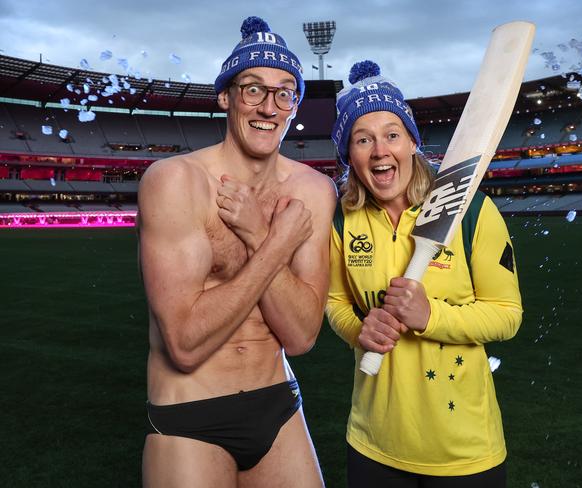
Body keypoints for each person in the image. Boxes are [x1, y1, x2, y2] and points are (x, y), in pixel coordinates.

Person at [138, 16, 335, 488]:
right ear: (225, 96)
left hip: (278, 403)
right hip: (190, 413)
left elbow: (302, 336)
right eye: (252, 89)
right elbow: (185, 343)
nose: (269, 106)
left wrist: (257, 234)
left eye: (285, 92)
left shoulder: (313, 190)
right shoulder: (174, 181)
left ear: (294, 107)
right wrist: (270, 241)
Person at [326, 60, 523, 487]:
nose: (380, 151)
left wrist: (431, 317)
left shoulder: (472, 213)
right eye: (363, 139)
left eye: (392, 135)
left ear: (412, 142)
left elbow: (507, 314)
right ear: (350, 155)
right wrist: (359, 329)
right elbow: (336, 303)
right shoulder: (343, 221)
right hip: (372, 443)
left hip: (464, 453)